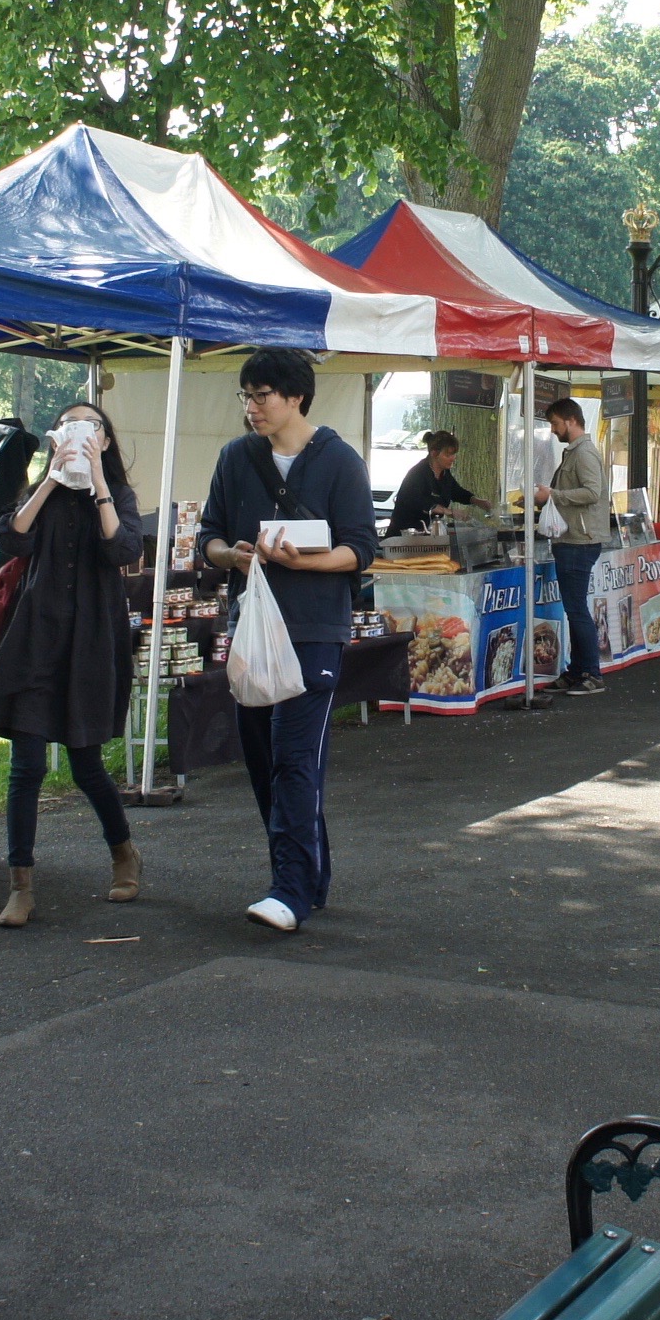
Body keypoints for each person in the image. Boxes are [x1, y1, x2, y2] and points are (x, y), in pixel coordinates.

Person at [201, 348, 379, 934]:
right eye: (246, 396)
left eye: (262, 396)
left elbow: (359, 549)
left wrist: (302, 562)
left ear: (295, 396)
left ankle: (290, 890)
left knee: (295, 758)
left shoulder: (340, 462)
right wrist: (233, 553)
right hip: (253, 627)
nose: (251, 408)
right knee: (262, 759)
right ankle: (310, 874)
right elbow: (210, 536)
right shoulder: (235, 458)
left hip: (314, 630)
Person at [0, 402, 145, 927]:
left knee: (86, 765)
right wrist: (51, 478)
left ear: (107, 442)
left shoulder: (117, 497)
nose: (80, 435)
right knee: (26, 768)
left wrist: (95, 478)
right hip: (35, 640)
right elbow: (11, 538)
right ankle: (20, 883)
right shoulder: (41, 493)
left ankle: (123, 852)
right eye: (71, 428)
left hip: (90, 644)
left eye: (91, 428)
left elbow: (122, 550)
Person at [534, 395, 611, 698]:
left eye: (554, 423)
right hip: (571, 539)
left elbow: (592, 492)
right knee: (574, 608)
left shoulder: (584, 454)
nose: (553, 430)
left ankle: (591, 672)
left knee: (577, 609)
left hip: (579, 541)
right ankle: (578, 670)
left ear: (570, 420)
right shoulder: (574, 453)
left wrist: (553, 494)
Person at [386, 429, 475, 536]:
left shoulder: (445, 474)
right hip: (405, 536)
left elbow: (456, 491)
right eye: (448, 455)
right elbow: (419, 502)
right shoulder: (418, 473)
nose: (453, 459)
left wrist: (478, 501)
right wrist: (449, 512)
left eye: (454, 454)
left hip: (427, 535)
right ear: (434, 453)